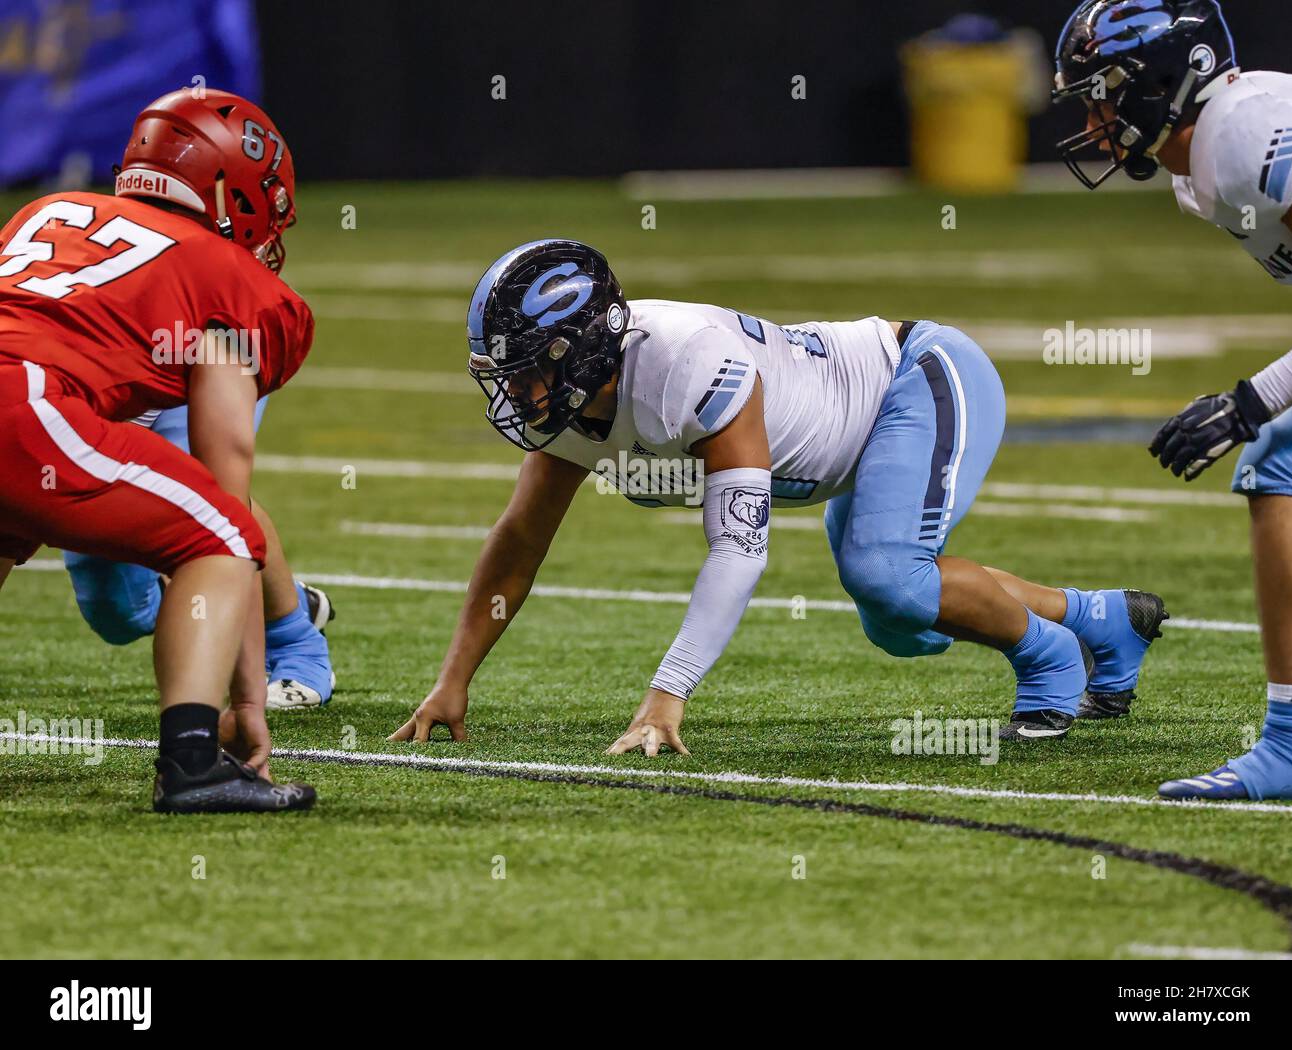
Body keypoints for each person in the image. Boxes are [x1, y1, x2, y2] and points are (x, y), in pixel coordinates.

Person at [390, 239, 1166, 754]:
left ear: (585, 349)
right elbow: (520, 542)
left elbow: (739, 547)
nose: (516, 392)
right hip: (847, 435)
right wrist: (453, 679)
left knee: (887, 575)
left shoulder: (687, 366)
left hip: (918, 380)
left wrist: (667, 697)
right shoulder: (571, 408)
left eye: (527, 367)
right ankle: (1103, 620)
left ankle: (1050, 658)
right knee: (895, 619)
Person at [0, 88, 321, 810]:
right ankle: (191, 764)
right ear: (230, 186)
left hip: (22, 400)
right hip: (23, 399)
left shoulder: (47, 211)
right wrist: (246, 701)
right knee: (219, 535)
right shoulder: (233, 277)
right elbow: (225, 486)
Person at [1054, 0, 1292, 800]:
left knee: (1278, 461)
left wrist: (1253, 400)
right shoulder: (1203, 172)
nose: (1094, 116)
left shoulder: (1245, 134)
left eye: (1102, 91)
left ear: (1158, 81)